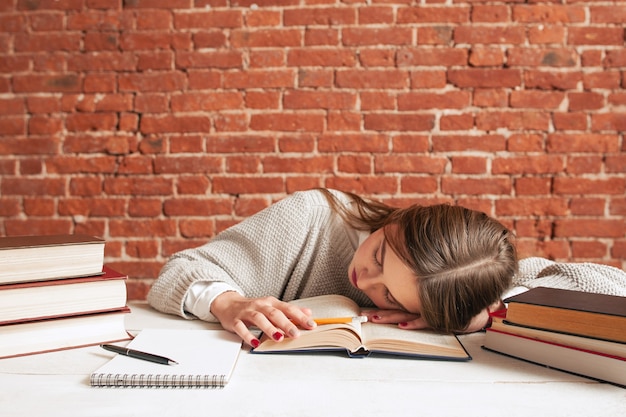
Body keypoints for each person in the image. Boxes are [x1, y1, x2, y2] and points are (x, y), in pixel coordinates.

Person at [148, 188, 518, 348]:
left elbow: (573, 278)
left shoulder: (472, 271)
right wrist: (227, 303)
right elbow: (180, 271)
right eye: (379, 255)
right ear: (401, 219)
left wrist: (478, 318)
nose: (365, 279)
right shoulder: (311, 217)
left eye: (389, 295)